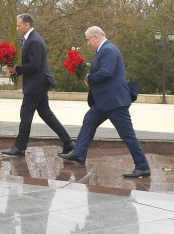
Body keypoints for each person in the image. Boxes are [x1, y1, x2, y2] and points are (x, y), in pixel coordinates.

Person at [60, 26, 151, 178]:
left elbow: (106, 73)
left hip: (114, 102)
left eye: (88, 40)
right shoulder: (104, 50)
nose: (88, 43)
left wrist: (89, 78)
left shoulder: (108, 49)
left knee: (127, 135)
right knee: (89, 120)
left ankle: (143, 166)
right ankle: (79, 154)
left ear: (96, 37)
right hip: (105, 101)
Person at [2, 13, 75, 157]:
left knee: (26, 113)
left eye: (19, 25)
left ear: (27, 25)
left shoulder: (34, 40)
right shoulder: (31, 38)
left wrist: (16, 69)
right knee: (45, 113)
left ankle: (19, 147)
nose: (17, 28)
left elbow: (34, 66)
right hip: (39, 82)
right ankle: (68, 143)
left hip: (36, 83)